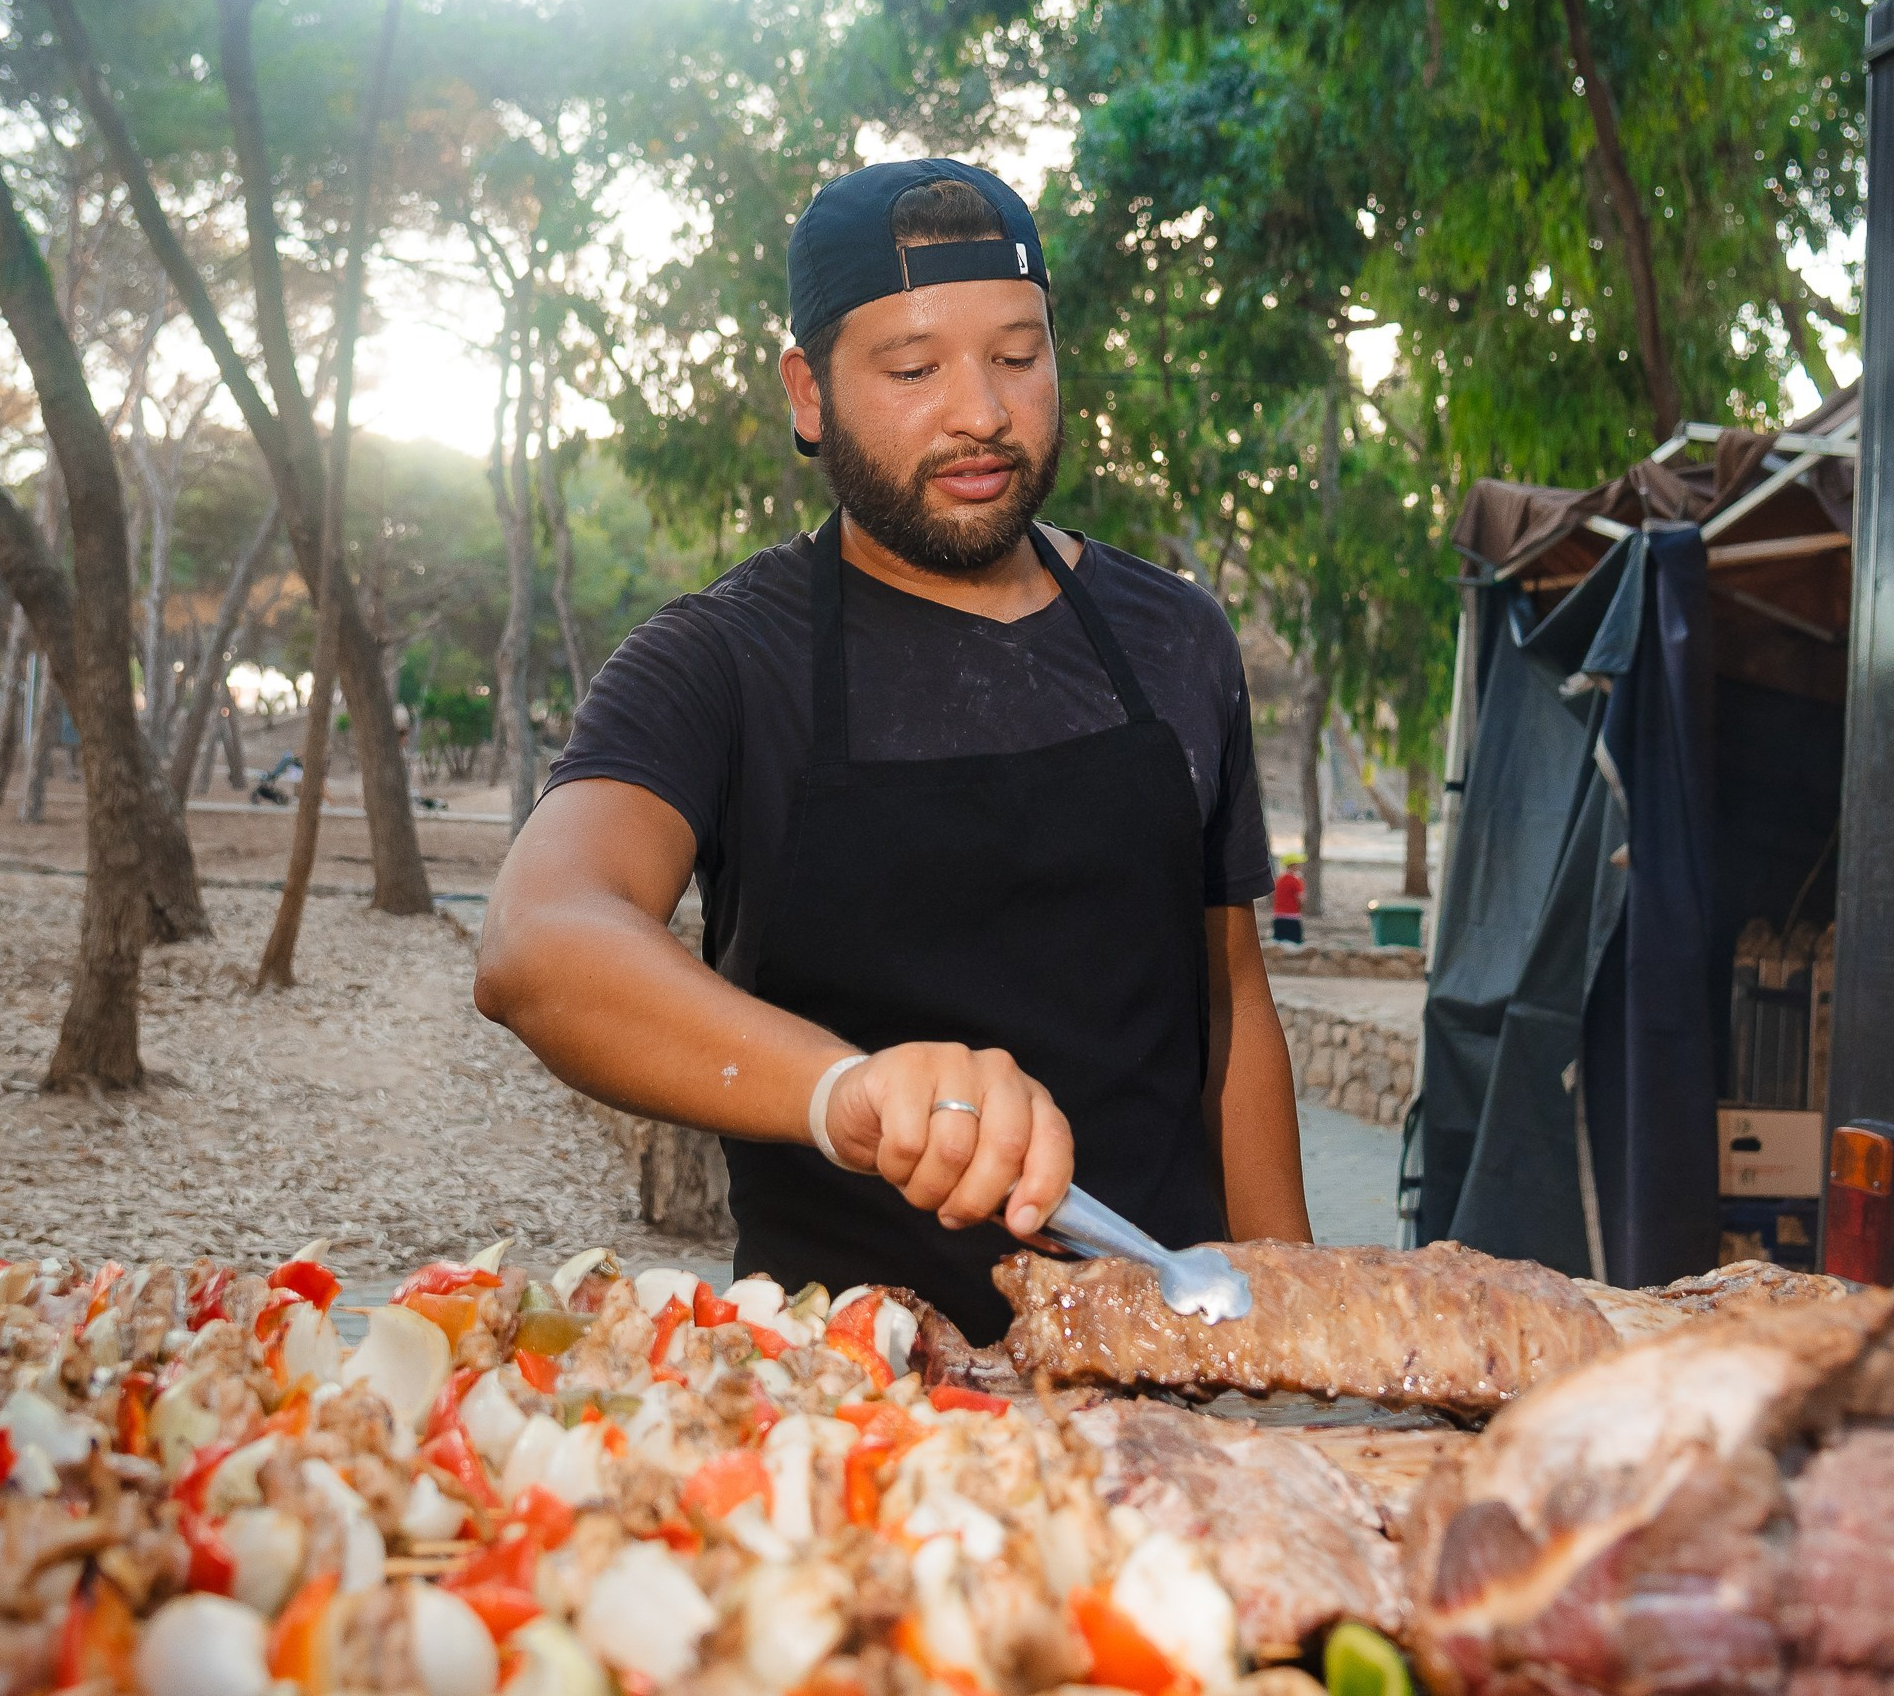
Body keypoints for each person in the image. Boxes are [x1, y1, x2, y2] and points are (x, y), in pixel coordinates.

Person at [473, 159, 1311, 1341]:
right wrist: (842, 1090)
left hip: (1167, 1356)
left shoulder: (1175, 635)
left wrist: (1290, 1318)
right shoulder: (718, 661)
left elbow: (1231, 1004)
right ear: (808, 392)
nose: (981, 412)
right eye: (915, 369)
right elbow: (537, 940)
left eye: (1017, 355)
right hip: (852, 1381)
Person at [1270, 856, 1307, 945]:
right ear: (1293, 865)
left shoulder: (1279, 880)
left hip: (1278, 916)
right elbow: (1300, 898)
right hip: (1292, 917)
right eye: (1299, 864)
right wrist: (1301, 909)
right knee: (1295, 945)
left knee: (1278, 944)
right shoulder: (1296, 880)